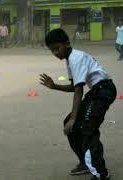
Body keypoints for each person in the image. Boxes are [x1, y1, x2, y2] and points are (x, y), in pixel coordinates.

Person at [40, 28, 116, 180]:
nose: (55, 53)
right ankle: (86, 163)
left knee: (87, 127)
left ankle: (101, 173)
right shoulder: (70, 60)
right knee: (70, 124)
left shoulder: (75, 58)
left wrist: (74, 118)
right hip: (97, 91)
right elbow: (75, 86)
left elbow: (78, 90)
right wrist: (55, 86)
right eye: (52, 50)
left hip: (103, 91)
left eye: (57, 48)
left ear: (67, 44)